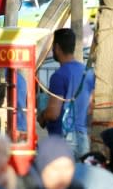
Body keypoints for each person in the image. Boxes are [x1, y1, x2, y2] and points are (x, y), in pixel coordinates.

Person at [38, 28, 95, 159]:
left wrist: (42, 116)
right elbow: (90, 108)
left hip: (63, 140)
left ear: (57, 47)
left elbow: (53, 113)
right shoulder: (88, 73)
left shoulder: (59, 75)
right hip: (82, 138)